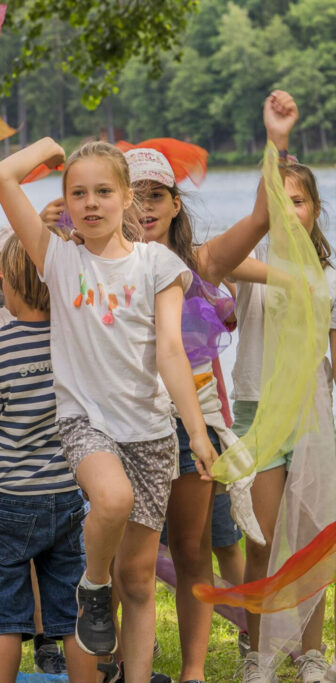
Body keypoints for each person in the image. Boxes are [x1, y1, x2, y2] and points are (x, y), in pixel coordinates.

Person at [0, 138, 216, 683]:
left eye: (103, 191)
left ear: (127, 200)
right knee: (112, 499)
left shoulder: (157, 263)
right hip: (85, 423)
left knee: (138, 580)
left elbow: (169, 350)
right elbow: (2, 177)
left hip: (151, 436)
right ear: (66, 201)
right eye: (78, 193)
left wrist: (198, 432)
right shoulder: (58, 259)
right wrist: (47, 149)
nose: (90, 203)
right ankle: (93, 585)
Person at [125, 91, 298, 683]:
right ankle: (128, 662)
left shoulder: (200, 261)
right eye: (133, 195)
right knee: (133, 559)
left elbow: (259, 220)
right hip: (120, 425)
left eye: (155, 195)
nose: (144, 207)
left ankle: (195, 670)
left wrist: (275, 143)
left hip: (190, 424)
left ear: (175, 204)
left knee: (194, 549)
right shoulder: (98, 264)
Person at [0, 234, 96, 683]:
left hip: (5, 499)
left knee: (3, 613)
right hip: (65, 493)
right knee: (70, 610)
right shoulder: (76, 343)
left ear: (11, 284)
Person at [234, 158, 336, 683]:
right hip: (257, 412)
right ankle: (256, 652)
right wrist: (286, 272)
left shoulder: (330, 278)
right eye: (276, 204)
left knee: (314, 538)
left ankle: (312, 652)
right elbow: (213, 262)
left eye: (297, 202)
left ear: (316, 210)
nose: (288, 213)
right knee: (262, 539)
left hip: (312, 417)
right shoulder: (251, 262)